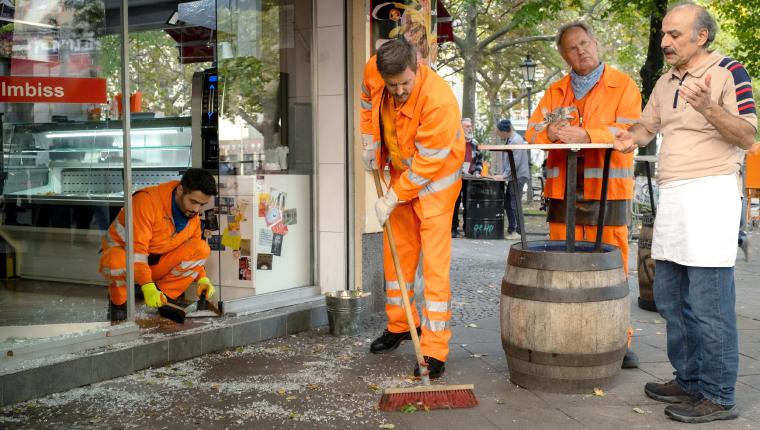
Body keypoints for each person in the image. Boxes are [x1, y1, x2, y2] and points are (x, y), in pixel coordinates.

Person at [613, 2, 756, 423]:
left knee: (709, 303)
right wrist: (627, 137)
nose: (666, 41)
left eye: (675, 35)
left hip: (711, 196)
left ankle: (717, 394)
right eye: (664, 35)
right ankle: (690, 378)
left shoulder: (730, 71)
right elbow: (647, 128)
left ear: (702, 36)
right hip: (673, 196)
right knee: (672, 298)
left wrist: (708, 107)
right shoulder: (664, 81)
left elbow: (748, 135)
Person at [524, 21, 642, 369]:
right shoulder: (555, 92)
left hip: (610, 191)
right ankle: (569, 335)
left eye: (585, 43)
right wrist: (550, 130)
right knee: (564, 268)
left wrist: (585, 133)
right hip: (564, 193)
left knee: (613, 267)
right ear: (564, 56)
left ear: (596, 42)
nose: (581, 51)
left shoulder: (623, 85)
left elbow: (631, 130)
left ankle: (619, 339)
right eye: (572, 48)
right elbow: (531, 133)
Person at [360, 38, 464, 379]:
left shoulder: (440, 101)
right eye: (393, 86)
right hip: (401, 173)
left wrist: (393, 196)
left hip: (435, 185)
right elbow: (366, 103)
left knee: (434, 268)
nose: (399, 91)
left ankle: (434, 349)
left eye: (405, 83)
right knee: (396, 256)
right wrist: (369, 143)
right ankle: (402, 325)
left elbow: (428, 163)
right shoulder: (374, 74)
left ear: (416, 66)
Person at [100, 168, 218, 322]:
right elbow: (137, 251)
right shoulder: (146, 201)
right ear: (180, 190)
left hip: (155, 262)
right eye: (193, 201)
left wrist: (202, 279)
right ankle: (118, 305)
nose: (196, 209)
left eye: (202, 204)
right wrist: (148, 285)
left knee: (201, 248)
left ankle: (164, 300)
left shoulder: (192, 216)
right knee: (115, 261)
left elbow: (193, 248)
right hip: (126, 259)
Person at [496, 119, 529, 240]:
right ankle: (512, 229)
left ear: (504, 131)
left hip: (518, 176)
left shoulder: (516, 141)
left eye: (498, 131)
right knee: (509, 202)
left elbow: (514, 161)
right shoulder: (511, 139)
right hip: (515, 176)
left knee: (515, 204)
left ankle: (518, 232)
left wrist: (504, 175)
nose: (497, 133)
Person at [451, 117, 483, 237]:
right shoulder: (454, 141)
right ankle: (453, 229)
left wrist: (477, 172)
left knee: (468, 203)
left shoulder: (475, 143)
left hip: (470, 178)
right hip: (456, 177)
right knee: (454, 203)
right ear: (461, 128)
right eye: (467, 126)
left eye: (470, 126)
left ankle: (467, 228)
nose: (470, 128)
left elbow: (480, 160)